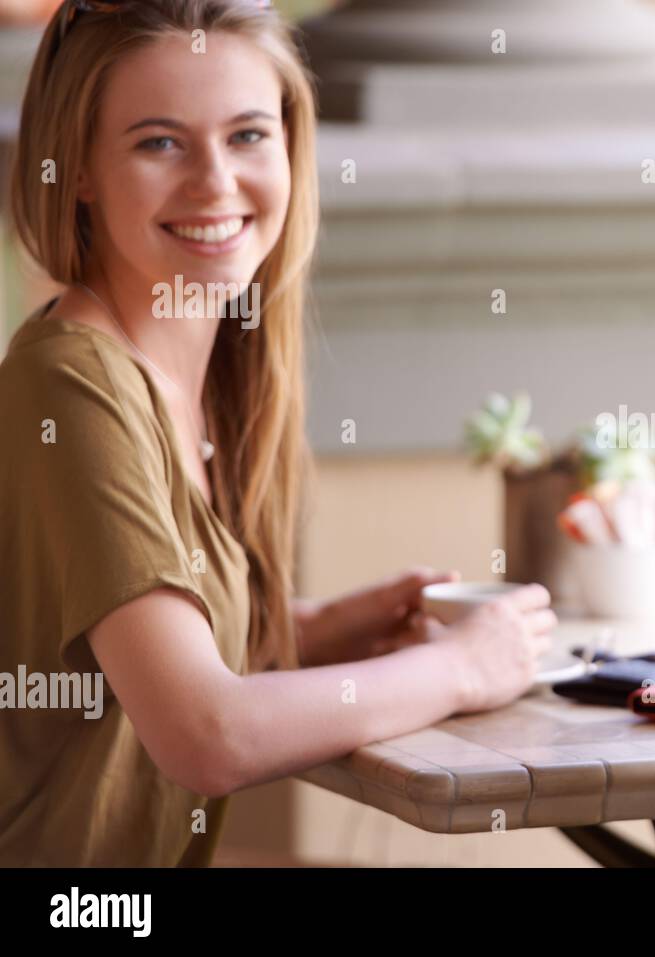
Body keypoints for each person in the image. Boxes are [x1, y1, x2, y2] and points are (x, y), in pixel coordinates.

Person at [0, 0, 555, 866]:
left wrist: (317, 628)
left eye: (249, 135)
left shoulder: (216, 370)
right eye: (159, 142)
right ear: (77, 169)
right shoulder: (70, 379)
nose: (215, 181)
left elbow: (141, 649)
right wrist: (462, 667)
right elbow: (203, 731)